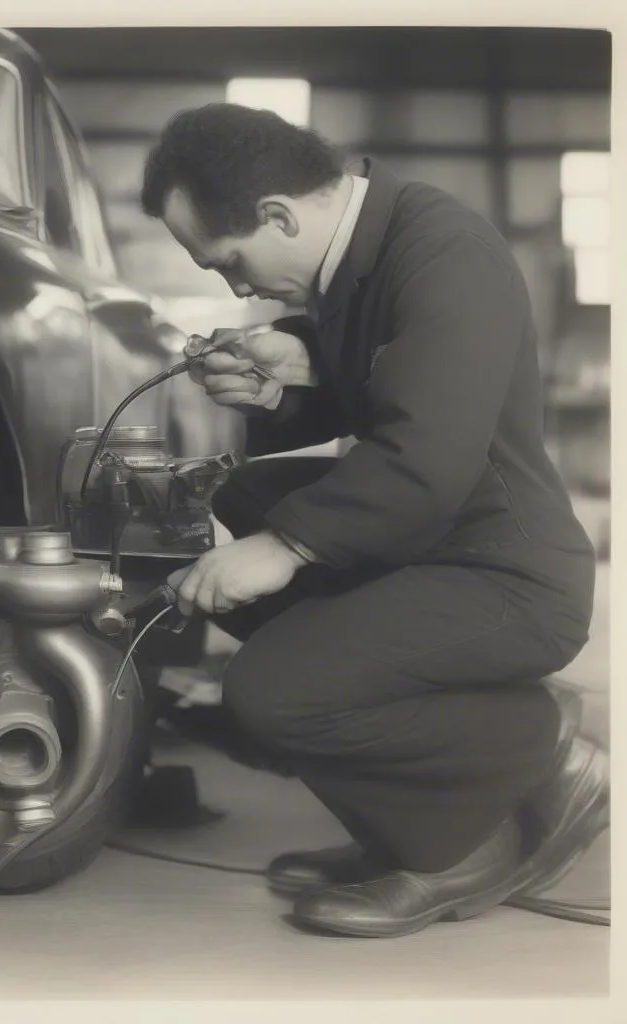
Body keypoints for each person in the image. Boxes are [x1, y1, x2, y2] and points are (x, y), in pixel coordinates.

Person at [141, 103, 609, 938]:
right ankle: (407, 816)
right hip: (448, 541)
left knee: (272, 693)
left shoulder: (445, 252)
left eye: (232, 263)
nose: (236, 289)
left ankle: (478, 819)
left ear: (279, 215)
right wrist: (286, 376)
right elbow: (389, 370)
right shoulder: (372, 249)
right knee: (246, 499)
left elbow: (424, 454)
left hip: (510, 570)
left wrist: (286, 548)